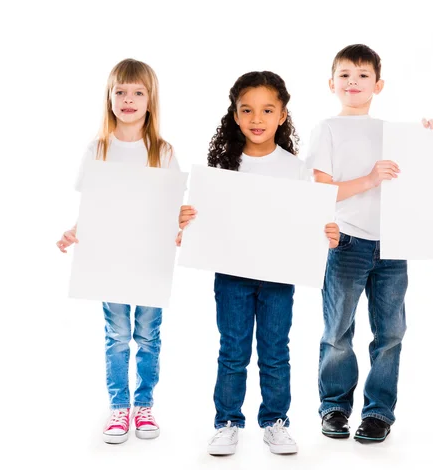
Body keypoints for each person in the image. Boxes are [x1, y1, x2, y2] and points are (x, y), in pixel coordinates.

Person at [177, 71, 340, 455]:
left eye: (267, 110)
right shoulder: (222, 168)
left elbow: (307, 223)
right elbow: (206, 222)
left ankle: (275, 421)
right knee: (233, 349)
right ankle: (228, 422)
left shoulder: (297, 168)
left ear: (282, 115)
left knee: (275, 349)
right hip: (232, 275)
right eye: (247, 110)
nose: (256, 118)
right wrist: (187, 220)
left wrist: (326, 233)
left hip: (278, 276)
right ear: (234, 115)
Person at [306, 44, 433, 443]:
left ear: (378, 84)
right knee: (338, 331)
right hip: (347, 243)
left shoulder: (391, 131)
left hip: (392, 244)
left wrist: (432, 135)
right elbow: (319, 190)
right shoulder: (327, 128)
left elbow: (425, 167)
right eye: (345, 75)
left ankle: (378, 413)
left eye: (363, 75)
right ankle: (334, 407)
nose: (354, 81)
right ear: (331, 83)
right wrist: (369, 179)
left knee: (390, 333)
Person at [56, 58, 179, 444]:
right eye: (120, 92)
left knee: (148, 334)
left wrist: (181, 225)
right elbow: (95, 206)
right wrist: (74, 232)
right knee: (117, 334)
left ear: (150, 100)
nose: (128, 99)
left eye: (137, 92)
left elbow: (171, 207)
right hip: (110, 260)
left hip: (150, 260)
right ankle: (119, 406)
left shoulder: (162, 150)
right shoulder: (99, 149)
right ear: (109, 99)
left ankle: (144, 405)